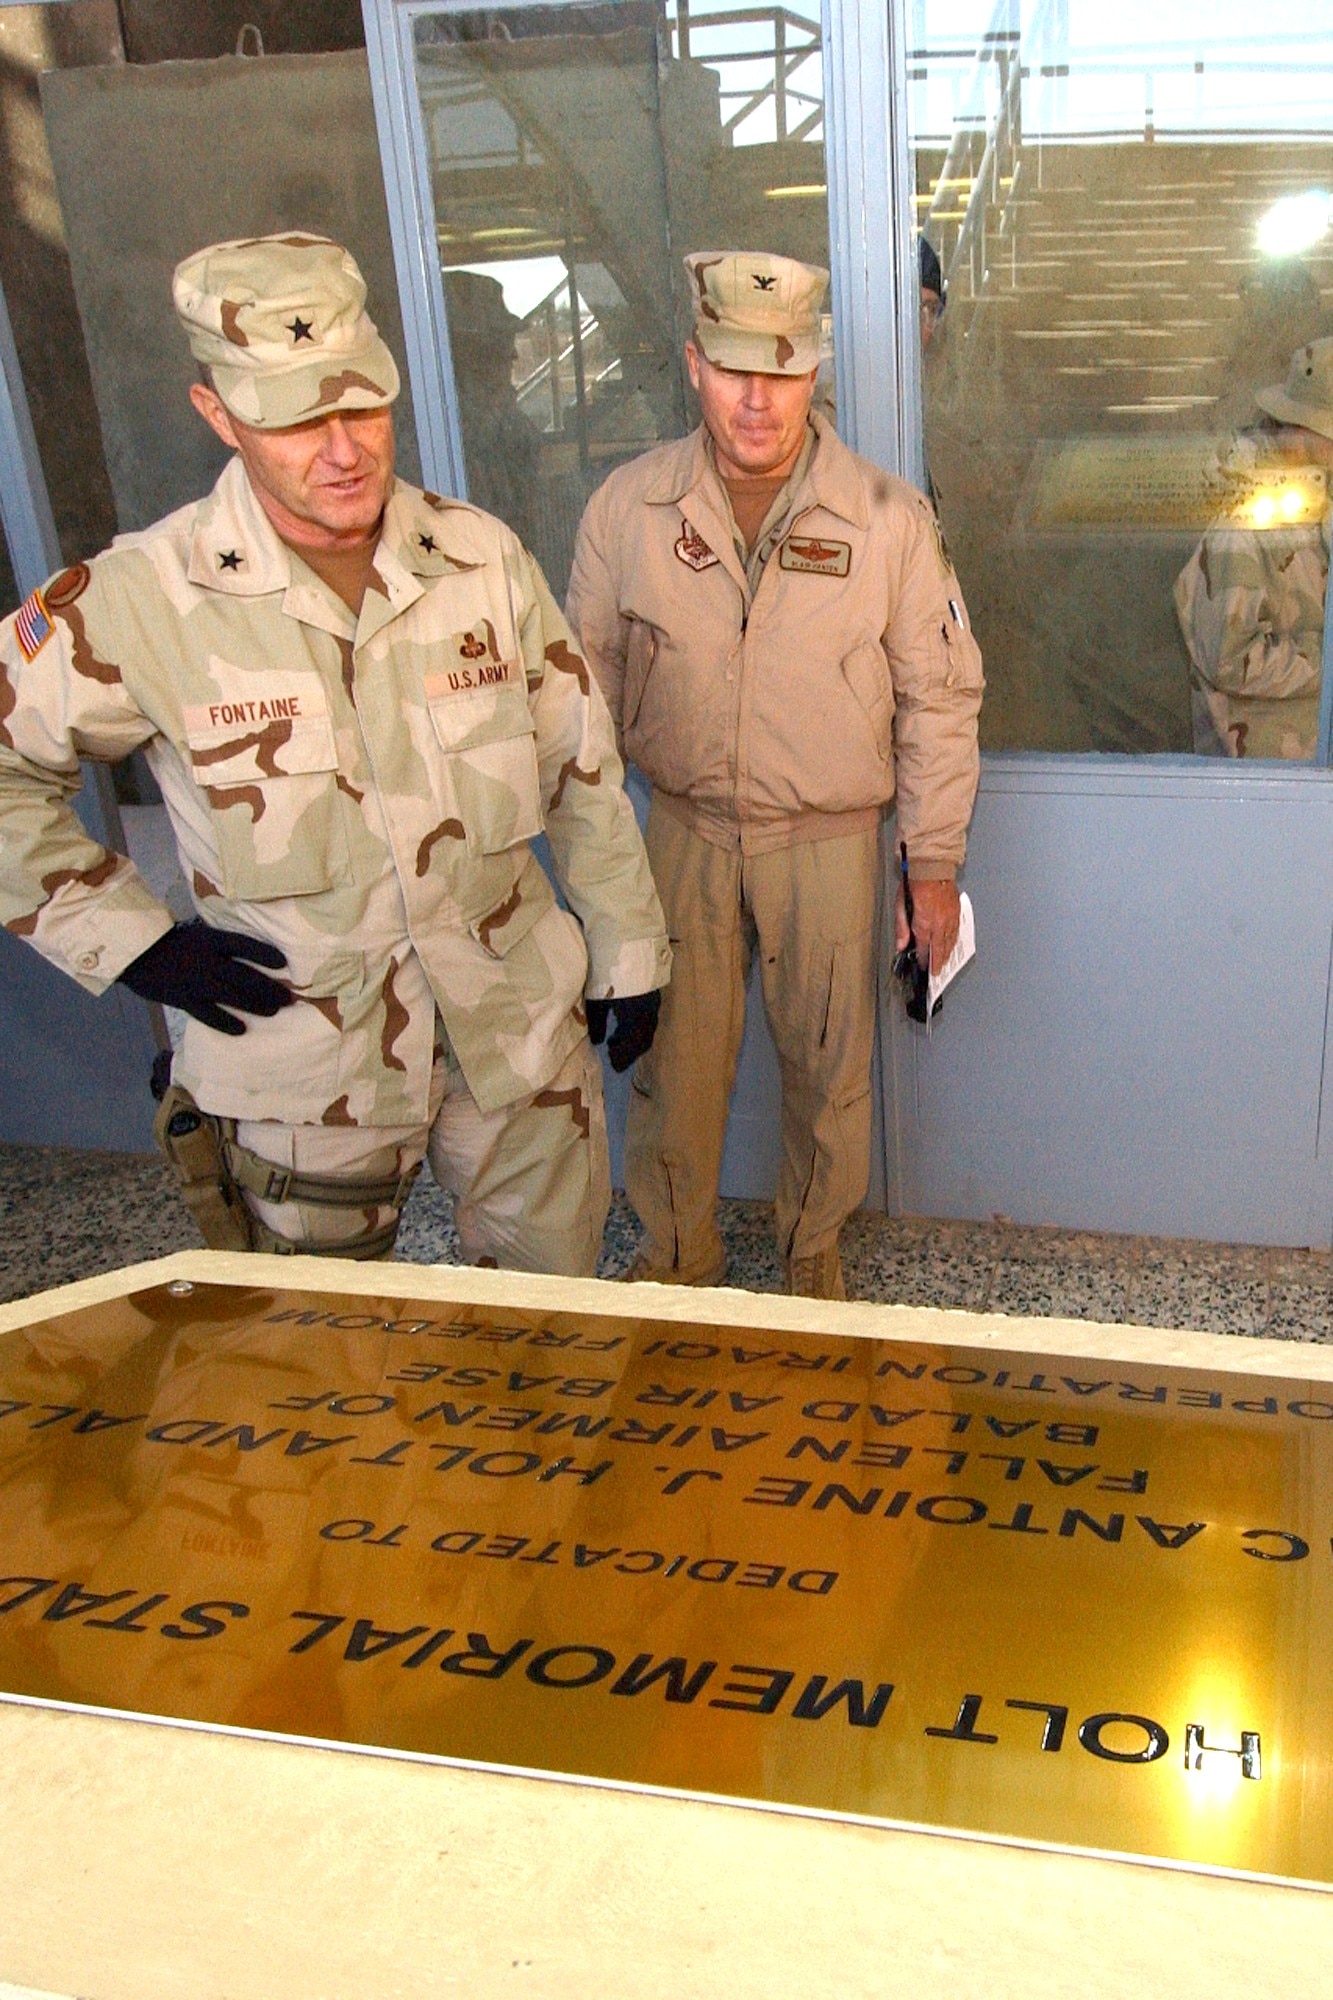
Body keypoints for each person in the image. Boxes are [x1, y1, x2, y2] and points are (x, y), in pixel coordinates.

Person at [0, 231, 669, 1272]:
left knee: (557, 1341)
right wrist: (132, 939)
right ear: (217, 414)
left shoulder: (478, 557)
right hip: (306, 1068)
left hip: (515, 1035)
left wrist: (629, 950)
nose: (342, 447)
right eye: (293, 418)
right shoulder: (141, 600)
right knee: (316, 1366)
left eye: (359, 405)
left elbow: (581, 765)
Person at [566, 250, 982, 1299]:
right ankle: (675, 1264)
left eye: (784, 369)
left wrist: (930, 864)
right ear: (693, 363)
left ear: (814, 372)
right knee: (674, 1073)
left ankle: (812, 1266)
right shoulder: (627, 510)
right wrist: (592, 881)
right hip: (681, 833)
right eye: (734, 367)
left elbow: (938, 698)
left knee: (830, 1074)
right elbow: (574, 704)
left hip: (828, 842)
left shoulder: (886, 517)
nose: (759, 398)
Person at [1175, 336, 1333, 760]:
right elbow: (1230, 657)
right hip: (1268, 789)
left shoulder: (1317, 501)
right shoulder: (1245, 520)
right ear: (1300, 434)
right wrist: (1326, 663)